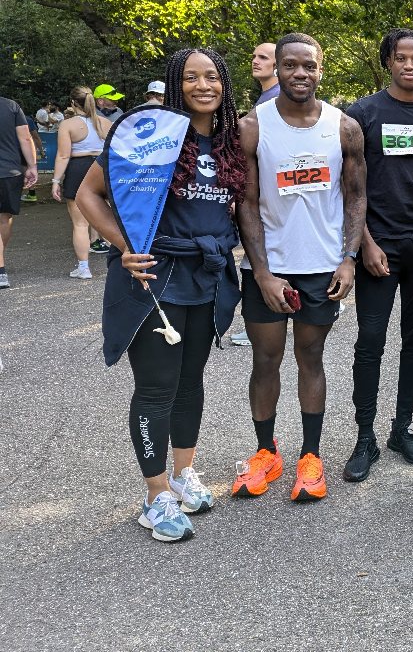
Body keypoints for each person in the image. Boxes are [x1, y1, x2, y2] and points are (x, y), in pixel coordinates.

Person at [75, 47, 247, 542]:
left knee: (191, 379)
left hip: (207, 274)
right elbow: (86, 192)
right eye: (190, 78)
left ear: (224, 84)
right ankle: (155, 497)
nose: (202, 85)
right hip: (156, 276)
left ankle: (182, 473)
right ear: (175, 85)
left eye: (212, 76)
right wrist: (125, 244)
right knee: (156, 387)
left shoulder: (232, 139)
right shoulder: (148, 136)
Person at [232, 32, 367, 502]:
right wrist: (263, 272)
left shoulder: (344, 127)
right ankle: (266, 452)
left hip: (321, 268)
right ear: (278, 69)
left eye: (308, 66)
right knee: (265, 359)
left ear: (320, 69)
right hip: (268, 269)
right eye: (290, 65)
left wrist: (348, 259)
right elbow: (246, 204)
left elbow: (355, 197)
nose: (299, 74)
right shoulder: (253, 126)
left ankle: (310, 458)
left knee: (310, 358)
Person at [341, 29, 413, 481]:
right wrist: (363, 242)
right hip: (377, 247)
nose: (409, 65)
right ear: (388, 61)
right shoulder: (362, 114)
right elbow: (348, 187)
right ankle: (363, 436)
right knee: (369, 342)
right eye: (400, 58)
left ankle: (401, 428)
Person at [230, 42, 284, 349]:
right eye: (254, 56)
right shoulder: (264, 98)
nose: (255, 61)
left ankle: (263, 322)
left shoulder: (277, 99)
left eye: (262, 57)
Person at [50, 86, 114, 279]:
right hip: (102, 169)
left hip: (78, 169)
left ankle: (84, 268)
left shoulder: (68, 125)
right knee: (109, 219)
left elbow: (63, 156)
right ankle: (121, 261)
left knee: (80, 224)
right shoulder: (105, 123)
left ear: (72, 103)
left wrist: (55, 181)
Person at [0, 95, 38, 289]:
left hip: (9, 171)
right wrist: (32, 166)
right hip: (9, 171)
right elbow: (25, 136)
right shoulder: (11, 106)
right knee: (4, 218)